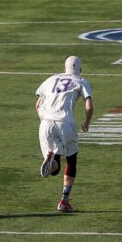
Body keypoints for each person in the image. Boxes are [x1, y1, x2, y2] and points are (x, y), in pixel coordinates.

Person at [35, 55, 93, 213]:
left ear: (64, 68)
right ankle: (64, 201)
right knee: (71, 162)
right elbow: (88, 107)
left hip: (46, 122)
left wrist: (45, 120)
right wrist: (86, 123)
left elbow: (37, 105)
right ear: (80, 70)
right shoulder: (81, 81)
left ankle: (52, 159)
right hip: (66, 122)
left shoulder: (50, 79)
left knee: (55, 170)